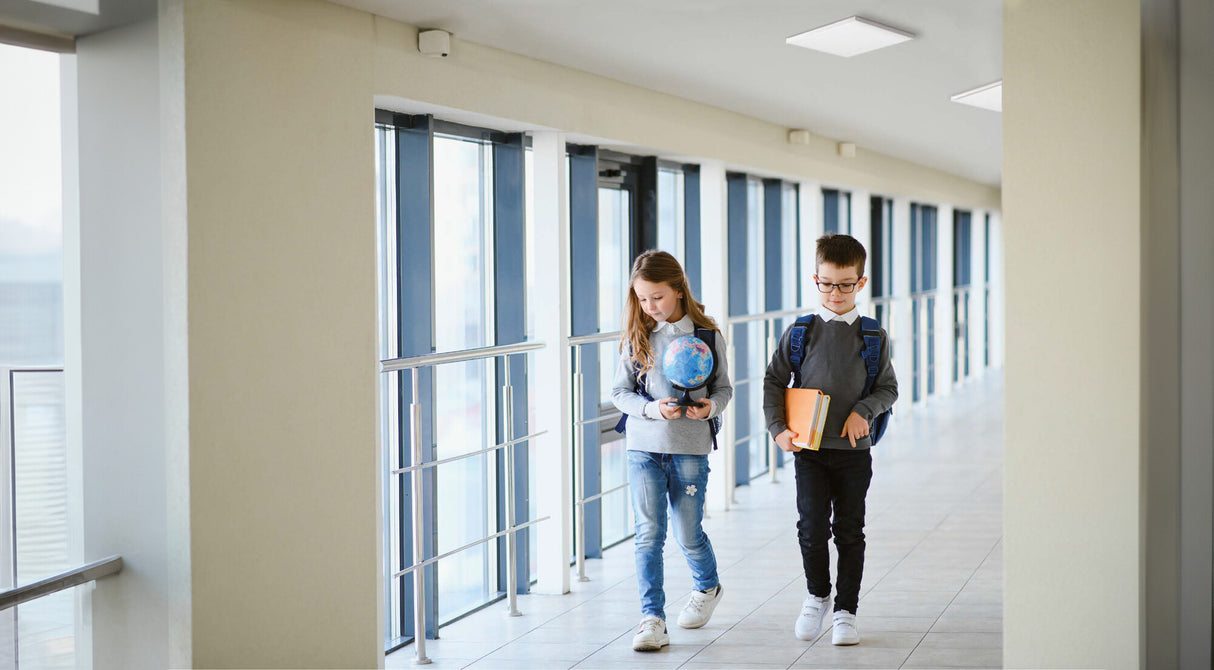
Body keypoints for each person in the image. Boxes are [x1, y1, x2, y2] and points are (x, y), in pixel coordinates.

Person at [762, 234, 898, 646]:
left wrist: (864, 411)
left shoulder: (873, 336)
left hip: (854, 454)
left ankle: (845, 611)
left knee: (850, 531)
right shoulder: (800, 333)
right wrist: (777, 428)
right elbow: (773, 381)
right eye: (826, 283)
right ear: (815, 279)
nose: (835, 293)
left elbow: (888, 388)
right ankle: (818, 595)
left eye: (845, 284)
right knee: (811, 527)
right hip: (810, 451)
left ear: (861, 282)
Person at [611, 250, 733, 652]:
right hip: (643, 448)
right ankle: (652, 619)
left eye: (657, 297)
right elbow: (619, 393)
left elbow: (723, 389)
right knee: (648, 534)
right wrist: (651, 409)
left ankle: (707, 586)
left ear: (679, 290)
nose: (650, 306)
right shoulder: (637, 336)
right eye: (642, 298)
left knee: (688, 533)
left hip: (689, 448)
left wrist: (709, 408)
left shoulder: (707, 336)